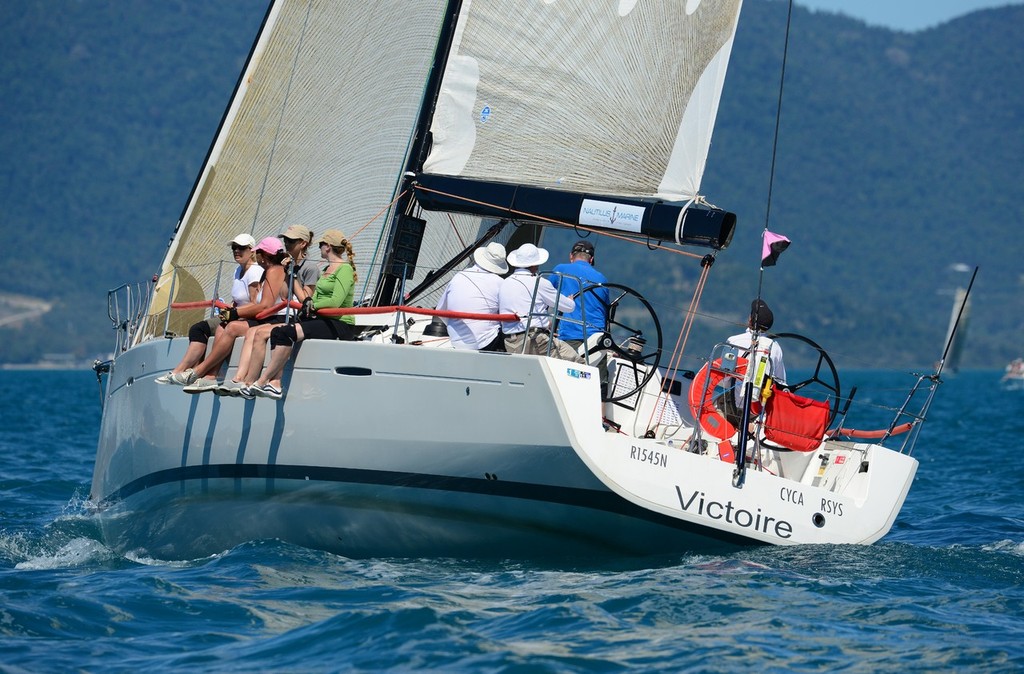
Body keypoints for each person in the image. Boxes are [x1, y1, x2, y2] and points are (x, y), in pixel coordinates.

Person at [246, 229, 359, 399]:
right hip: (323, 319)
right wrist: (290, 274)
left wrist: (312, 305)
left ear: (327, 247)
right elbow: (301, 297)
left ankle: (262, 381)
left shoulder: (344, 269)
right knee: (278, 332)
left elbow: (336, 301)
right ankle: (275, 384)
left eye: (321, 245)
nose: (319, 248)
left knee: (286, 332)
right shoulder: (328, 268)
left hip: (340, 323)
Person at [176, 237, 291, 392]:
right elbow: (258, 304)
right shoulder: (265, 272)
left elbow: (265, 305)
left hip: (275, 318)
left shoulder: (275, 271)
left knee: (232, 327)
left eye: (257, 252)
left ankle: (200, 371)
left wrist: (235, 313)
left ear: (264, 255)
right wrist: (233, 312)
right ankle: (211, 376)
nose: (256, 256)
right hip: (265, 317)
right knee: (224, 327)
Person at [218, 224, 319, 394]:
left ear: (302, 243)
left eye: (291, 241)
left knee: (257, 333)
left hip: (293, 317)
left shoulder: (308, 268)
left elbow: (303, 299)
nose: (286, 244)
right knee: (249, 332)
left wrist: (290, 273)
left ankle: (256, 381)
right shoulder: (278, 269)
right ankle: (240, 379)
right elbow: (278, 297)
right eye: (285, 240)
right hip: (280, 315)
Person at [156, 233, 262, 385]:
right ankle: (181, 371)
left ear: (252, 251)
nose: (236, 251)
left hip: (246, 317)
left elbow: (255, 303)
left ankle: (204, 374)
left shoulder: (255, 271)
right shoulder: (238, 270)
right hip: (234, 313)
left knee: (223, 328)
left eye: (241, 248)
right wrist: (230, 308)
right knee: (198, 329)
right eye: (234, 248)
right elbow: (238, 299)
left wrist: (233, 313)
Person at [498, 243, 581, 362]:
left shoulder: (505, 283)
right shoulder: (539, 283)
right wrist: (570, 300)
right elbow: (569, 307)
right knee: (578, 363)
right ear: (534, 264)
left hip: (510, 342)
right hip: (534, 340)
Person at [721, 299, 787, 428]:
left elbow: (724, 381)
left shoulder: (734, 341)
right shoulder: (775, 347)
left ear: (750, 319)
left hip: (732, 407)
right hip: (757, 410)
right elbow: (781, 383)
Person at [435, 242, 508, 351]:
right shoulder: (501, 283)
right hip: (486, 343)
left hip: (455, 340)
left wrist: (457, 330)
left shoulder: (458, 276)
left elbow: (440, 310)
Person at [551, 239, 609, 350]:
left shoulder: (560, 270)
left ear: (571, 256)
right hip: (597, 340)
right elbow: (607, 311)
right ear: (591, 259)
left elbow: (543, 296)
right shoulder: (602, 279)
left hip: (570, 337)